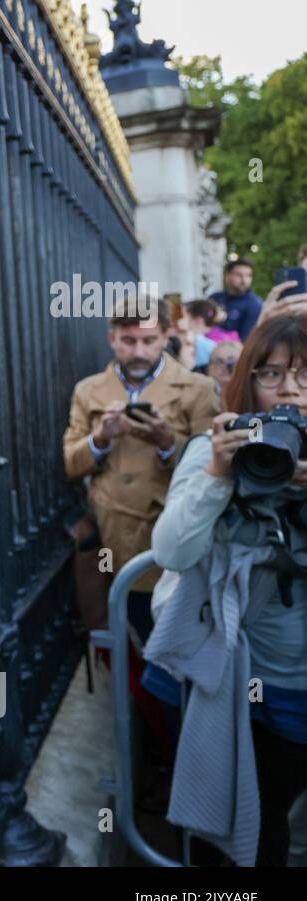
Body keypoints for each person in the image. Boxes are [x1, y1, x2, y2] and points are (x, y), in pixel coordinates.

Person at [145, 314, 307, 866]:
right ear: (248, 385)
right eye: (273, 374)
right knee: (257, 830)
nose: (290, 390)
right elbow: (171, 551)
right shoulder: (219, 449)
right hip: (252, 686)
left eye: (305, 376)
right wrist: (219, 471)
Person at [63, 295, 222, 798]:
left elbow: (217, 472)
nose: (138, 349)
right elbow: (70, 461)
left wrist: (166, 442)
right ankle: (159, 766)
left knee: (175, 666)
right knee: (130, 660)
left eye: (149, 339)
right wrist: (102, 439)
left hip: (173, 551)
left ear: (166, 336)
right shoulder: (90, 390)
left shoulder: (197, 388)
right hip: (114, 549)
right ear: (112, 338)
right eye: (127, 339)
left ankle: (192, 774)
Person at [209, 258, 264, 342]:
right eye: (239, 275)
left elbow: (245, 341)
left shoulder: (255, 305)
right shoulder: (215, 298)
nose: (244, 280)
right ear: (227, 276)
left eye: (248, 275)